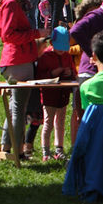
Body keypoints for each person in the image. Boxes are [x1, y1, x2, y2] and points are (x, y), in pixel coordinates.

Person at [0, 0, 51, 158]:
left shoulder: (11, 2)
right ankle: (17, 151)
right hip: (17, 61)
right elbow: (8, 35)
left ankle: (7, 147)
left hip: (18, 59)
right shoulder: (10, 3)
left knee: (15, 106)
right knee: (19, 108)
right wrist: (37, 33)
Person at [36, 26, 76, 161]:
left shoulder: (67, 56)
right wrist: (53, 73)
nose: (61, 51)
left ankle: (59, 148)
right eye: (59, 47)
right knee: (48, 122)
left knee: (60, 121)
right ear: (52, 43)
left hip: (63, 93)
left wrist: (70, 73)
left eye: (64, 48)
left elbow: (72, 71)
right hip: (49, 94)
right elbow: (39, 75)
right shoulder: (45, 56)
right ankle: (45, 151)